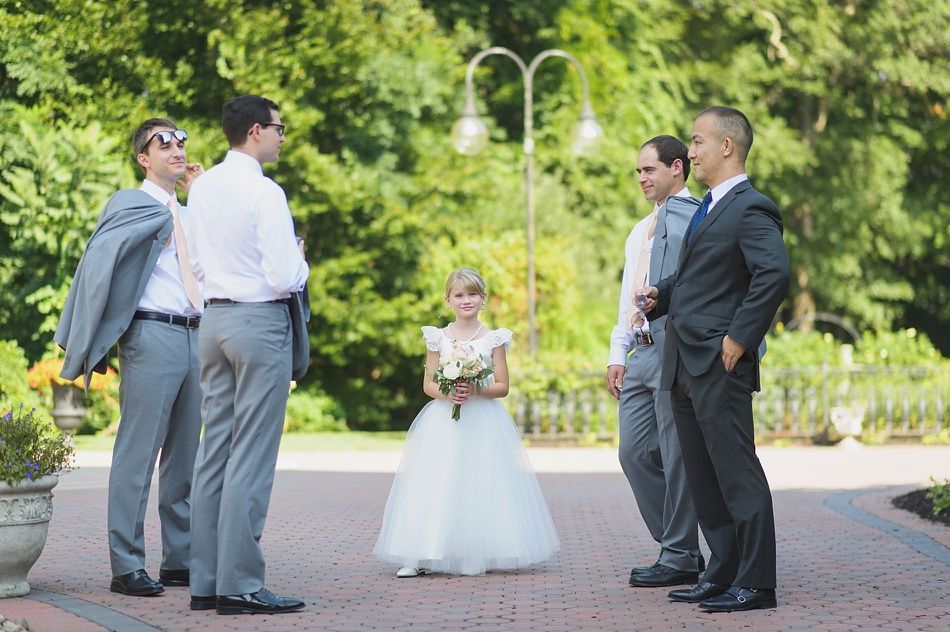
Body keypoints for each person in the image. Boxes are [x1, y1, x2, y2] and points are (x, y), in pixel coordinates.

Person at [640, 106, 790, 612]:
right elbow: (701, 278)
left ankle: (757, 583)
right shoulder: (707, 207)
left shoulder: (752, 207)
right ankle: (721, 570)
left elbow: (772, 274)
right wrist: (660, 294)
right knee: (703, 477)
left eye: (698, 141)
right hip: (683, 363)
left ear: (726, 146)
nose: (692, 150)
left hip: (720, 361)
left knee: (736, 472)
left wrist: (739, 339)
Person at [55, 118, 205, 596]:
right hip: (151, 334)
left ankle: (179, 560)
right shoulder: (130, 204)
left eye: (182, 141)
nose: (177, 148)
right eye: (165, 142)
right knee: (138, 455)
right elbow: (99, 262)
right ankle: (126, 565)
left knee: (185, 455)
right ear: (144, 157)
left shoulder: (190, 209)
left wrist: (201, 202)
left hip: (196, 335)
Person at [185, 95, 308, 615]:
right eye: (280, 128)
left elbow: (193, 259)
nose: (283, 136)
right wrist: (302, 263)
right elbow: (283, 276)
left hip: (212, 321)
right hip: (258, 322)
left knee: (214, 451)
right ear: (256, 131)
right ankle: (239, 584)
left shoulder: (203, 186)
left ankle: (205, 581)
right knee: (251, 456)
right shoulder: (265, 191)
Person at [374, 268, 559, 577]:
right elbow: (428, 384)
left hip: (483, 421)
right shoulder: (437, 337)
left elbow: (502, 385)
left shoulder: (493, 340)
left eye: (472, 294)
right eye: (459, 295)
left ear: (483, 299)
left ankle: (485, 548)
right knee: (437, 480)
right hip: (444, 421)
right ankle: (422, 553)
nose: (466, 300)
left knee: (483, 481)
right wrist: (448, 394)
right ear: (448, 300)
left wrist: (475, 389)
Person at [605, 135, 704, 588]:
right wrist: (617, 351)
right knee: (634, 452)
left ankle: (680, 553)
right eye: (639, 171)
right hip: (640, 349)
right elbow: (628, 292)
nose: (642, 178)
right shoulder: (637, 230)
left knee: (676, 452)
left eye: (650, 170)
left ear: (677, 168)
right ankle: (679, 547)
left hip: (673, 345)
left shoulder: (697, 218)